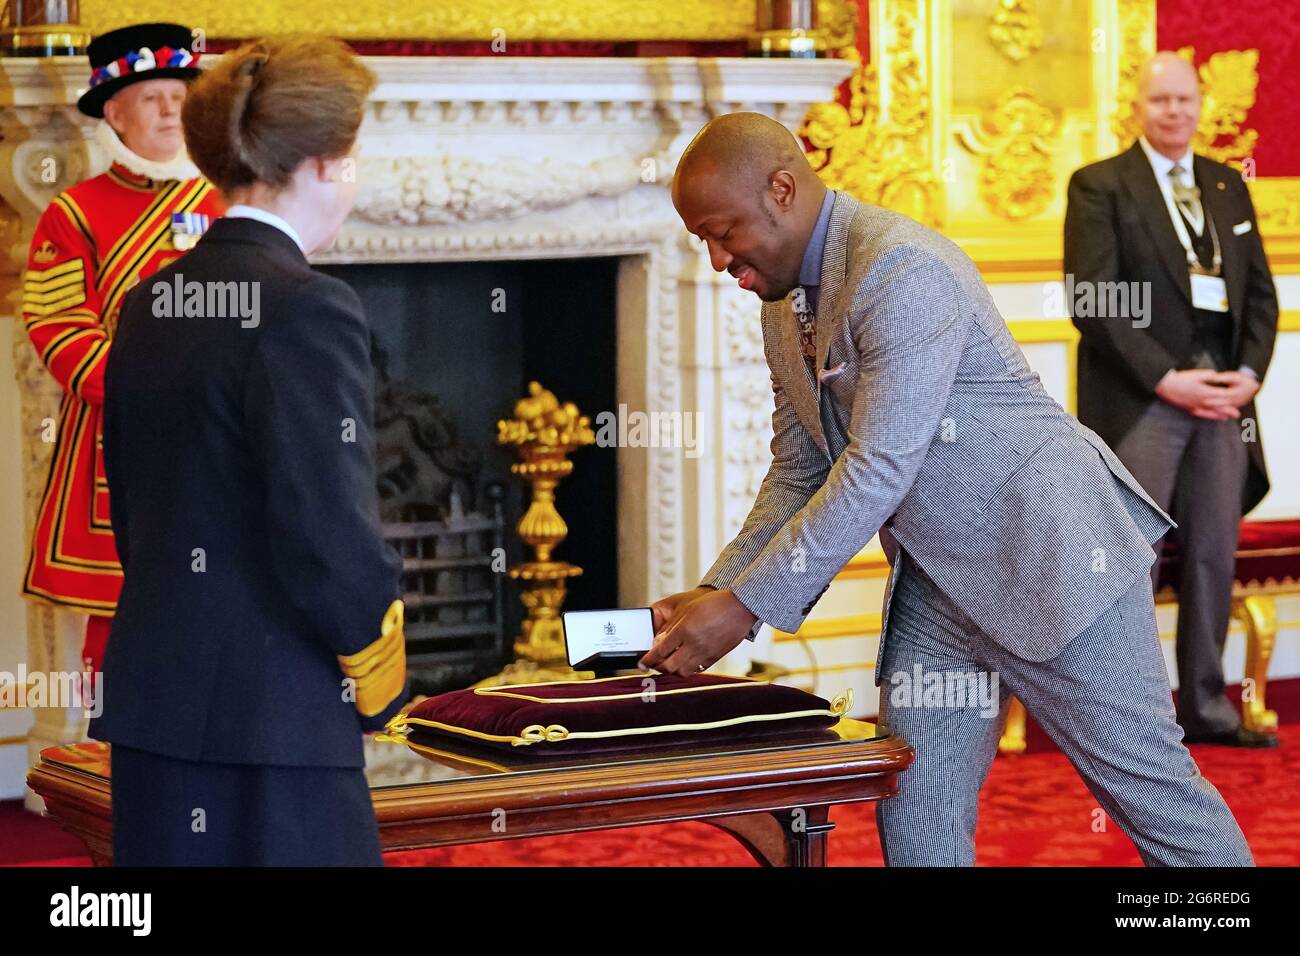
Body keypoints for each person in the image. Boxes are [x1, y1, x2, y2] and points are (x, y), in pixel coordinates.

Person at [643, 111, 1253, 866]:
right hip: (938, 586)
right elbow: (800, 469)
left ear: (781, 190)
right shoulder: (782, 307)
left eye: (722, 231)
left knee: (1154, 798)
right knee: (916, 808)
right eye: (701, 238)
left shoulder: (903, 267)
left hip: (1057, 558)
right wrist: (717, 590)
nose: (714, 259)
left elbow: (878, 467)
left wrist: (742, 609)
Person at [89, 36, 407, 866]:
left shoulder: (150, 299)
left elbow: (134, 511)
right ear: (325, 164)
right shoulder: (311, 307)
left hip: (157, 701)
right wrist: (383, 681)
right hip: (276, 720)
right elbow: (327, 536)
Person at [1065, 52, 1279, 747]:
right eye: (1161, 101)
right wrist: (1165, 379)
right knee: (1133, 560)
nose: (1176, 112)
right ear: (1138, 105)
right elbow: (1092, 299)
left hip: (1223, 399)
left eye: (1185, 100)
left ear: (1199, 105)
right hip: (1144, 401)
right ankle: (1129, 720)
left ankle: (1207, 710)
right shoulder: (1101, 185)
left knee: (1215, 555)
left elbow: (1260, 297)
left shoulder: (1225, 185)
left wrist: (1248, 374)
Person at [21, 22, 223, 676]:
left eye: (180, 96)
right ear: (114, 112)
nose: (170, 109)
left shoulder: (232, 203)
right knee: (122, 625)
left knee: (224, 604)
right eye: (152, 97)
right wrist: (153, 389)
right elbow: (58, 323)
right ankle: (117, 765)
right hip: (120, 442)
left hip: (223, 435)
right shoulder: (72, 213)